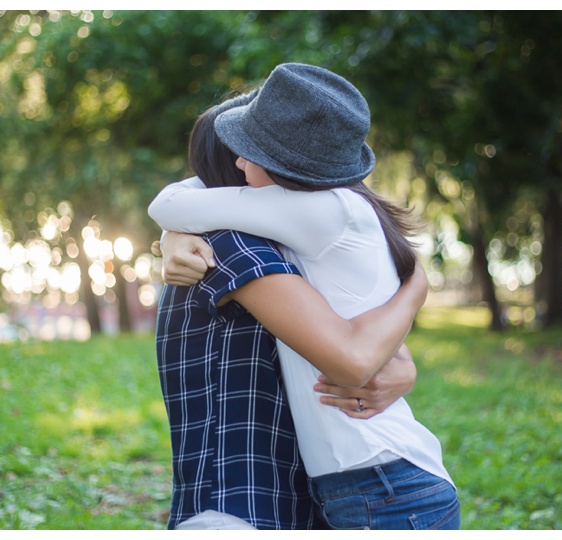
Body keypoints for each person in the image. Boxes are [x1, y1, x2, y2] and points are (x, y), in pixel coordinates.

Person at [149, 63, 459, 530]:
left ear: (286, 166)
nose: (238, 163)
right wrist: (174, 237)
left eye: (248, 150)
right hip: (371, 480)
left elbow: (172, 201)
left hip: (382, 483)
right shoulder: (316, 219)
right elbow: (373, 343)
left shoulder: (315, 213)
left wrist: (416, 297)